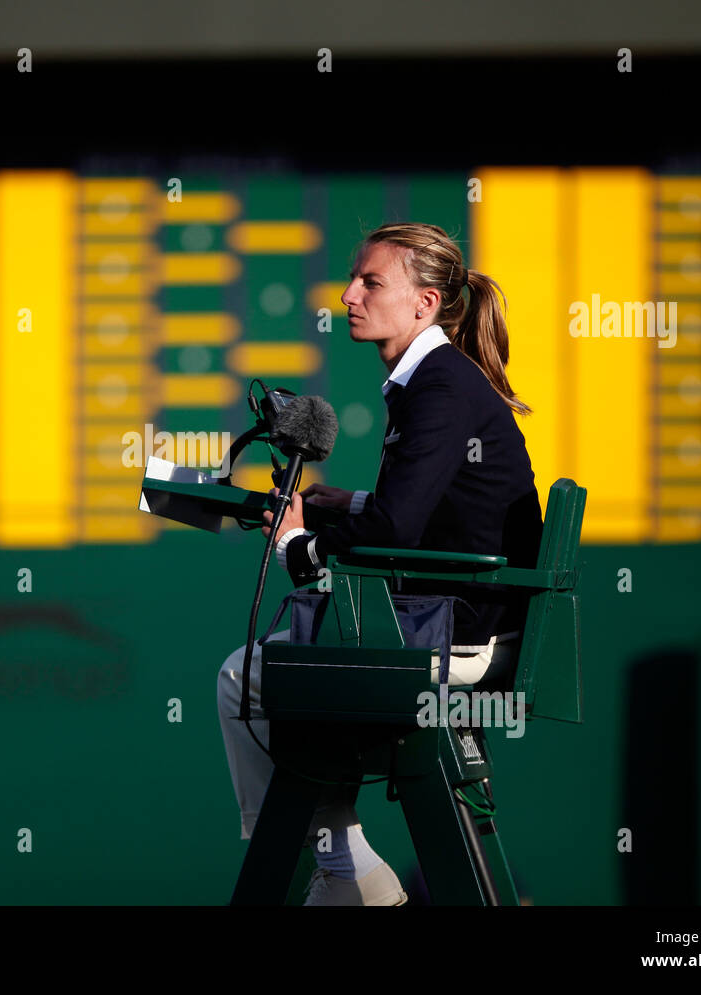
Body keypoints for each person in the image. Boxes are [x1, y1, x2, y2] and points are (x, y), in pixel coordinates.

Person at [217, 222, 544, 905]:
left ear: (425, 304)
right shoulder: (438, 380)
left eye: (371, 282)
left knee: (242, 679)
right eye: (353, 279)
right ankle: (350, 870)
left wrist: (295, 544)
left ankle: (347, 869)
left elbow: (398, 526)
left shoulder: (441, 386)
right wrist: (353, 500)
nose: (347, 295)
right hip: (461, 618)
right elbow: (438, 510)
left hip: (458, 637)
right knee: (279, 677)